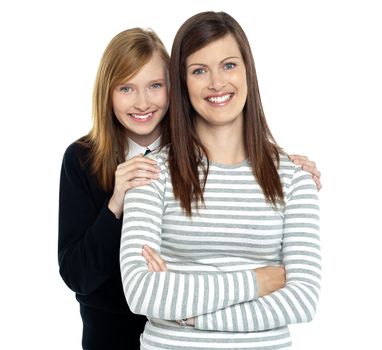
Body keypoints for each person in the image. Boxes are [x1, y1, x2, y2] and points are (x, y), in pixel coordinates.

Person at [59, 26, 321, 350]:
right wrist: (115, 205)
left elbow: (302, 298)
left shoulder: (190, 145)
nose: (142, 102)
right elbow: (93, 279)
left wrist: (183, 303)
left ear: (173, 88)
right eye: (126, 88)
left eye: (155, 86)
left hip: (174, 324)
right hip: (114, 330)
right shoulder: (90, 160)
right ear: (107, 93)